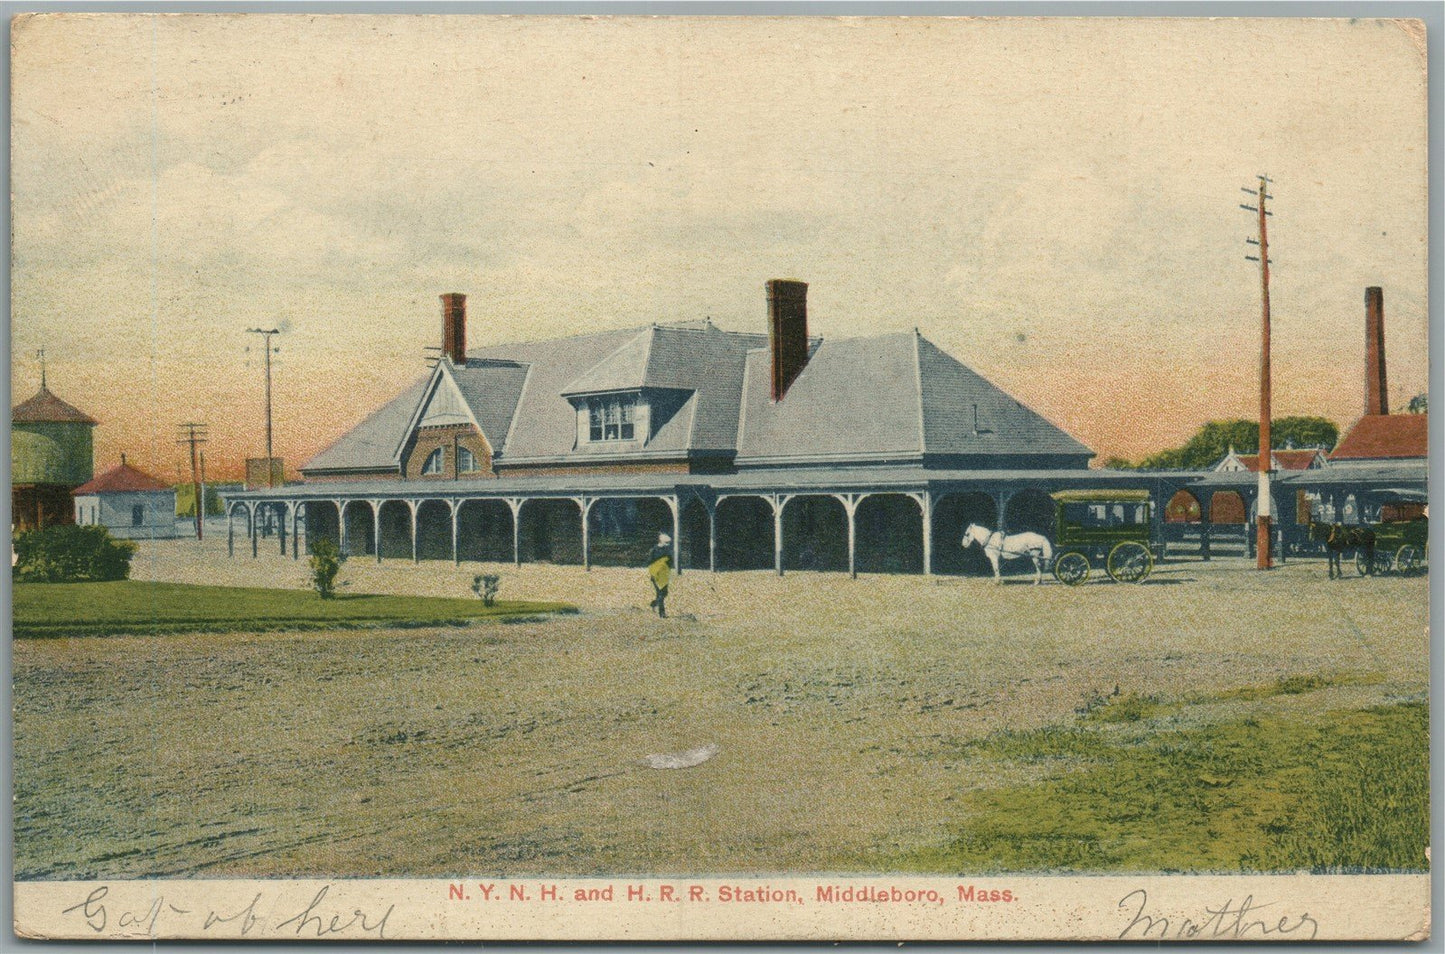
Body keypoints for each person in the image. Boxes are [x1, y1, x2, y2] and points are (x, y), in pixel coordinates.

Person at [647, 532, 673, 618]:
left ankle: (654, 603)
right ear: (661, 542)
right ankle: (662, 614)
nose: (668, 545)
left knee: (664, 593)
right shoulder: (653, 550)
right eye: (666, 543)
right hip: (656, 574)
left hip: (664, 575)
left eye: (669, 543)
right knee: (661, 593)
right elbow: (650, 562)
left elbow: (670, 562)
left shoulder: (667, 551)